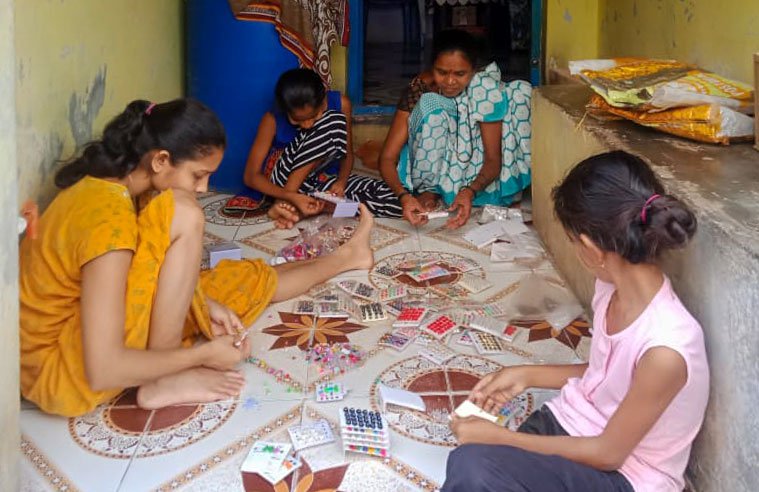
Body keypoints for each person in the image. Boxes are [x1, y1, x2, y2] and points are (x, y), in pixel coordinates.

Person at [19, 98, 376, 418]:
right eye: (198, 175)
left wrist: (201, 300)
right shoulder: (108, 222)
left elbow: (139, 278)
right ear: (160, 160)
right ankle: (164, 380)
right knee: (185, 212)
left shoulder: (124, 186)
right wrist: (199, 357)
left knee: (240, 282)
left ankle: (348, 257)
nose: (204, 188)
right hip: (60, 369)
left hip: (87, 326)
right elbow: (104, 368)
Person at [443, 151, 709, 492]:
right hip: (575, 425)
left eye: (571, 241)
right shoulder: (610, 289)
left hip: (623, 475)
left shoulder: (667, 348)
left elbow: (608, 454)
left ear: (590, 247)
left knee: (474, 465)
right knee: (481, 458)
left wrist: (501, 438)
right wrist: (525, 375)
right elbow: (607, 375)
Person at [379, 29, 532, 229]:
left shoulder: (482, 89)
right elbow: (387, 158)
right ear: (431, 67)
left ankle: (473, 190)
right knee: (430, 103)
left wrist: (469, 192)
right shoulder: (419, 92)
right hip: (434, 168)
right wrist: (404, 196)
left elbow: (494, 161)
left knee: (520, 92)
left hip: (476, 171)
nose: (450, 81)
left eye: (460, 74)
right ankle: (430, 189)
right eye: (442, 72)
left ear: (474, 70)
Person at [244, 68, 402, 228]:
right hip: (284, 182)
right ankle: (285, 202)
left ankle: (316, 207)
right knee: (332, 121)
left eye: (313, 116)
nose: (307, 125)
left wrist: (341, 181)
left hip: (321, 181)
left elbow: (347, 154)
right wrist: (289, 195)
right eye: (297, 120)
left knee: (395, 198)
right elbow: (251, 176)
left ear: (324, 100)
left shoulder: (341, 103)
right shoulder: (271, 120)